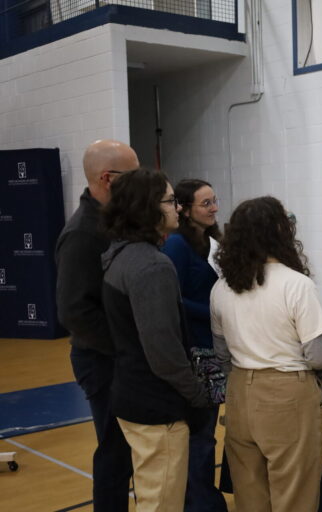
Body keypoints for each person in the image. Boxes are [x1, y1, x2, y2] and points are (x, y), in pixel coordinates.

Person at [211, 196, 322, 512]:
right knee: (294, 495)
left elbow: (221, 353)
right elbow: (318, 356)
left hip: (239, 391)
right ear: (281, 232)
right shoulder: (297, 284)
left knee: (249, 495)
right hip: (287, 393)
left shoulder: (222, 287)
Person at [101, 168, 213, 512]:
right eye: (169, 201)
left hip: (132, 395)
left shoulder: (119, 254)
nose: (177, 208)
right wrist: (198, 395)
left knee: (153, 495)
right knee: (161, 502)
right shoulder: (152, 266)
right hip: (154, 404)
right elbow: (163, 353)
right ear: (146, 207)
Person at [55, 139, 137, 511]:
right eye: (134, 176)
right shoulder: (82, 234)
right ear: (107, 178)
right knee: (115, 451)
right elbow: (74, 312)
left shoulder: (114, 221)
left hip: (122, 358)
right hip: (105, 362)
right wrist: (127, 347)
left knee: (128, 449)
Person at [161, 179, 227, 512]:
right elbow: (173, 299)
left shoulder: (214, 241)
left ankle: (202, 499)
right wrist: (215, 313)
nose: (214, 208)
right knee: (200, 435)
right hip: (194, 351)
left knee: (206, 434)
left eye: (215, 201)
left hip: (214, 349)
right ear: (185, 210)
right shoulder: (176, 246)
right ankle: (200, 504)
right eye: (206, 203)